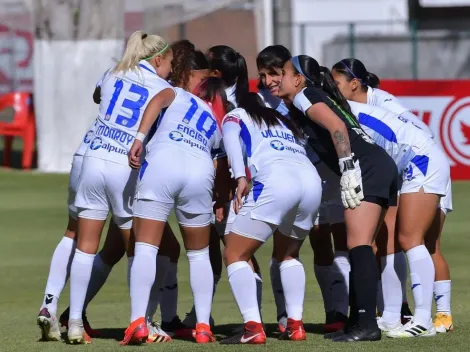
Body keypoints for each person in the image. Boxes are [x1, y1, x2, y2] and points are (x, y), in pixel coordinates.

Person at [279, 55, 398, 342]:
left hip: (365, 167)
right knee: (361, 246)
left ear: (298, 79)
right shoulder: (310, 97)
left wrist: (347, 167)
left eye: (282, 72)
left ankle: (368, 324)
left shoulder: (305, 94)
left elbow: (337, 128)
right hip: (377, 165)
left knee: (358, 246)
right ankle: (359, 322)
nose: (277, 79)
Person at [66, 31, 174, 345]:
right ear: (157, 59)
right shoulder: (163, 88)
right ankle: (141, 322)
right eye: (168, 63)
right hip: (124, 167)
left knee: (86, 246)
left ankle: (74, 323)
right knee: (140, 248)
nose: (170, 69)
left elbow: (97, 97)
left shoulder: (113, 72)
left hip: (93, 159)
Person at [332, 58, 454, 334]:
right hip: (401, 167)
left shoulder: (379, 103)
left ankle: (425, 319)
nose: (332, 89)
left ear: (354, 84)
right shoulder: (356, 105)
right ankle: (391, 314)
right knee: (389, 242)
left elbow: (422, 135)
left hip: (419, 162)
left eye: (336, 83)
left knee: (413, 239)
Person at [123, 77, 227, 345]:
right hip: (200, 170)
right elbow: (219, 165)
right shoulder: (215, 122)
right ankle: (203, 326)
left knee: (145, 247)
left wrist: (139, 138)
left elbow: (156, 101)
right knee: (199, 254)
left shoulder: (178, 93)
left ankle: (138, 322)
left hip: (164, 161)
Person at [256, 45, 347, 333]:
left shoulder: (305, 95)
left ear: (289, 73)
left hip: (328, 175)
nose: (269, 80)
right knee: (286, 249)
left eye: (274, 73)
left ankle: (339, 313)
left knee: (338, 242)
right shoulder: (259, 102)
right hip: (292, 182)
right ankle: (285, 316)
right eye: (263, 75)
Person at [219, 92, 322, 344]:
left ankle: (253, 327)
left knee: (234, 254)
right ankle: (295, 325)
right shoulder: (283, 121)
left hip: (277, 180)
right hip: (311, 181)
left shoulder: (236, 115)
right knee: (289, 254)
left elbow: (231, 142)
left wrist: (239, 177)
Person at [36, 72, 124, 342]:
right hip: (114, 160)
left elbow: (97, 96)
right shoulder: (158, 85)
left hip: (86, 150)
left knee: (73, 232)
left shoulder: (115, 72)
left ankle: (49, 304)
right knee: (131, 243)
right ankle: (147, 320)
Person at [182, 46, 258, 331]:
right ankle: (202, 313)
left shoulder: (217, 99)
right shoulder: (246, 98)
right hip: (235, 182)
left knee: (237, 249)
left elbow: (222, 152)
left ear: (214, 73)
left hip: (231, 185)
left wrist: (221, 196)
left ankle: (254, 317)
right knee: (219, 248)